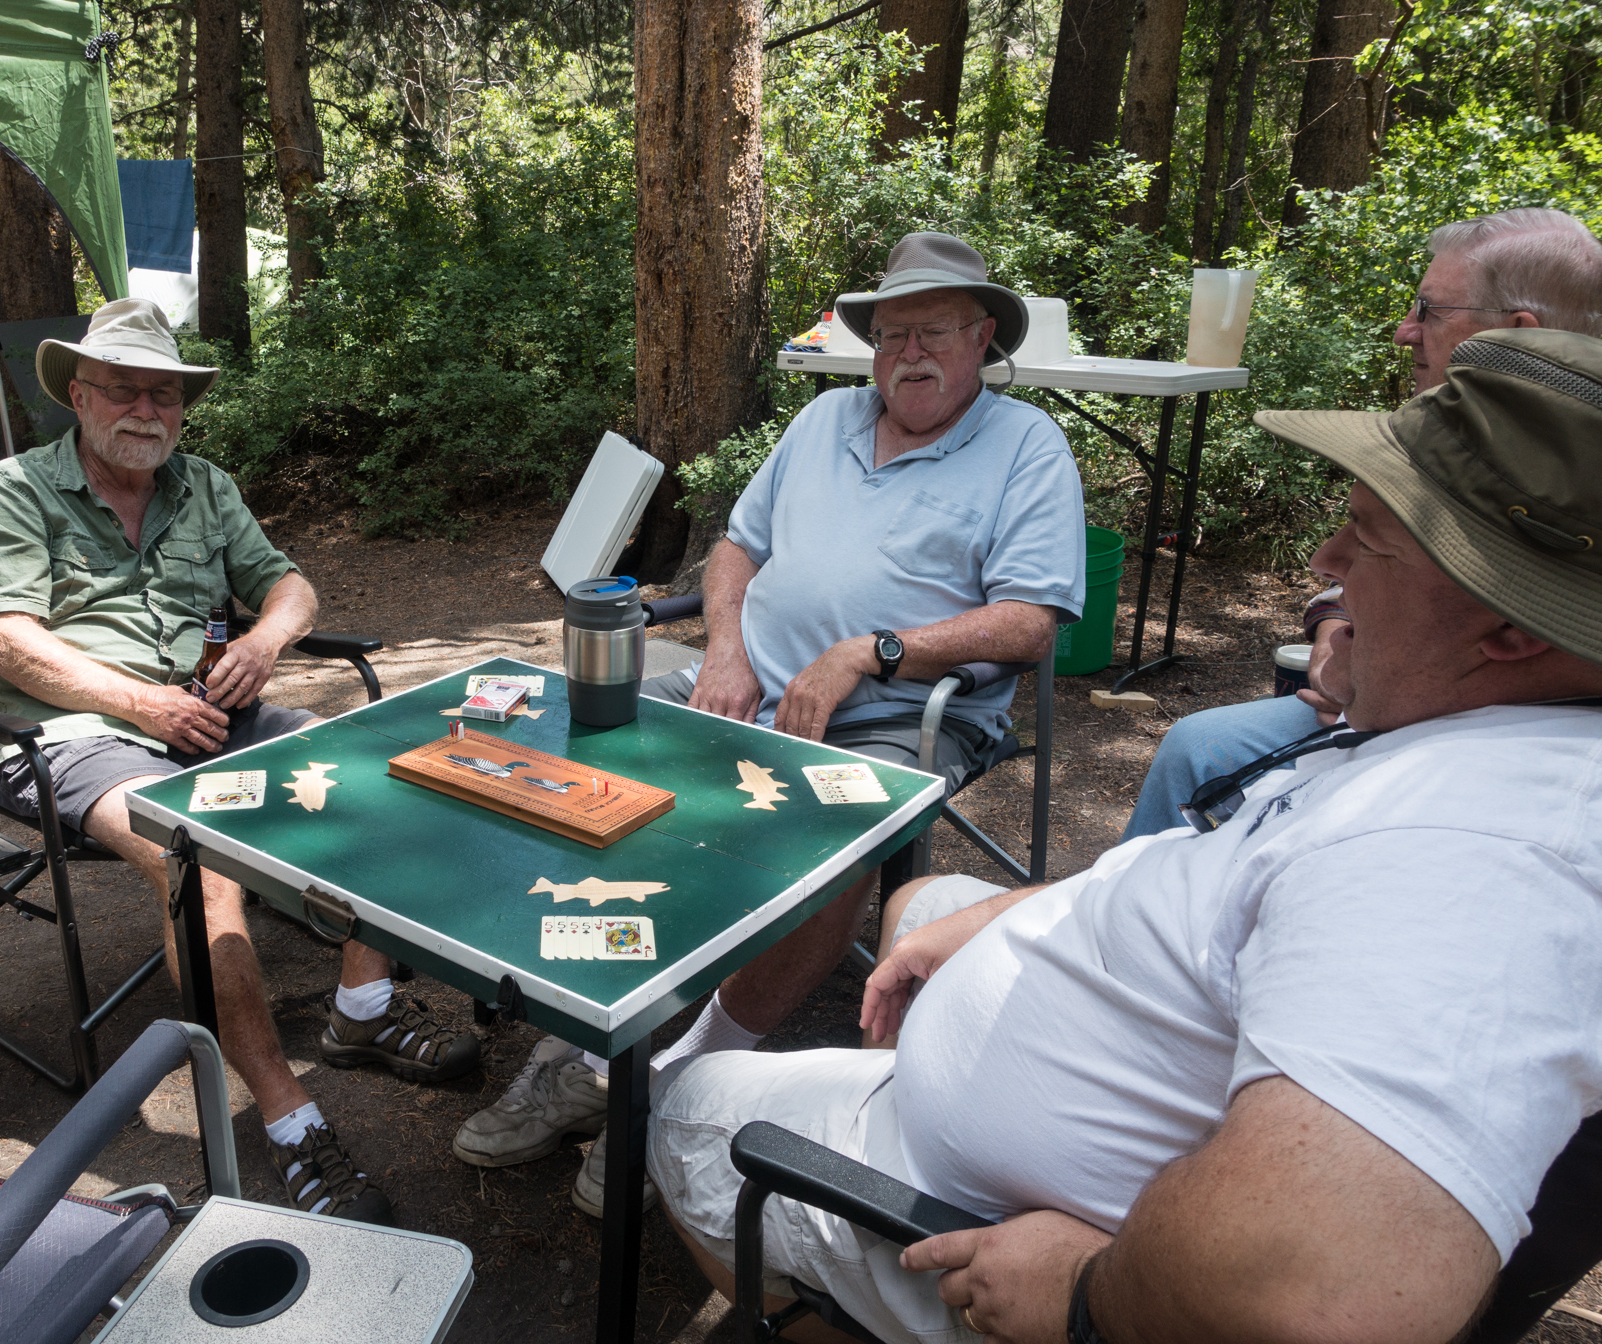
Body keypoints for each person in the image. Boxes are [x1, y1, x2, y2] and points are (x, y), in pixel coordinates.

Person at [646, 326, 1602, 1343]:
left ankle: (833, 1281)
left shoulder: (1477, 851)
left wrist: (1087, 1293)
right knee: (923, 901)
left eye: (1363, 539)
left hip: (1019, 1229)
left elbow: (1319, 1294)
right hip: (1095, 1041)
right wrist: (1017, 917)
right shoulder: (1475, 740)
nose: (1322, 567)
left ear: (1509, 630)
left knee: (688, 1112)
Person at [452, 232, 1087, 1216]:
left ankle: (677, 1081)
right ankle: (584, 1046)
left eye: (930, 331)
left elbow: (1028, 623)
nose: (906, 352)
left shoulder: (1025, 447)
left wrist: (863, 654)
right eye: (888, 333)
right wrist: (726, 654)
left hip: (899, 713)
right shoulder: (825, 420)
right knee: (572, 742)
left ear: (980, 338)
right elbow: (733, 551)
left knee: (827, 852)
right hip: (747, 686)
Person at [0, 298, 478, 1225]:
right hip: (63, 735)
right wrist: (139, 700)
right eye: (124, 390)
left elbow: (290, 583)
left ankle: (361, 1005)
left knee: (397, 776)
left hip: (202, 718)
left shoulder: (204, 485)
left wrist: (267, 639)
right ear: (79, 393)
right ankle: (289, 1120)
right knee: (199, 857)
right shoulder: (13, 491)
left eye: (167, 395)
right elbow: (5, 641)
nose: (147, 410)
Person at [1125, 206, 1602, 838]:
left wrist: (1386, 678)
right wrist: (1340, 624)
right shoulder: (1448, 420)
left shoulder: (1572, 457)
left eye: (1429, 311)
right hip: (1409, 701)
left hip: (1492, 728)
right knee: (1200, 745)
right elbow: (1393, 562)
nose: (1404, 332)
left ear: (1516, 334)